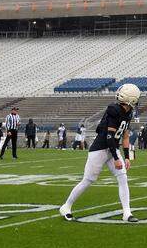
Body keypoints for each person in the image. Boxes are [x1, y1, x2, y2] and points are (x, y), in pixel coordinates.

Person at [59, 84, 141, 223]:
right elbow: (109, 136)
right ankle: (66, 206)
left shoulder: (128, 112)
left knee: (122, 177)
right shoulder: (114, 110)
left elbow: (125, 136)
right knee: (88, 180)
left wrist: (127, 157)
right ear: (131, 99)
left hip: (112, 148)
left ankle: (127, 213)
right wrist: (116, 158)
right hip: (100, 148)